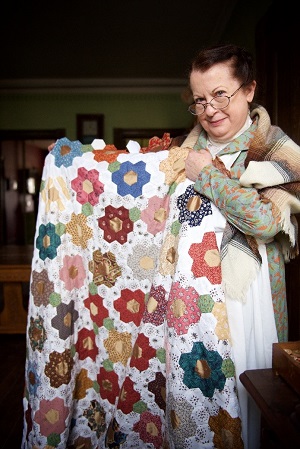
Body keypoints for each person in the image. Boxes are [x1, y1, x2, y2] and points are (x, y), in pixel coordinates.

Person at [22, 43, 300, 449]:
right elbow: (132, 182)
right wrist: (74, 162)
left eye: (221, 94)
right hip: (187, 304)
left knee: (244, 403)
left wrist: (208, 175)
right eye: (200, 100)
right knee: (190, 406)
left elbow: (265, 221)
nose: (210, 109)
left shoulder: (279, 149)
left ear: (250, 89)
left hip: (244, 301)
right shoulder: (187, 148)